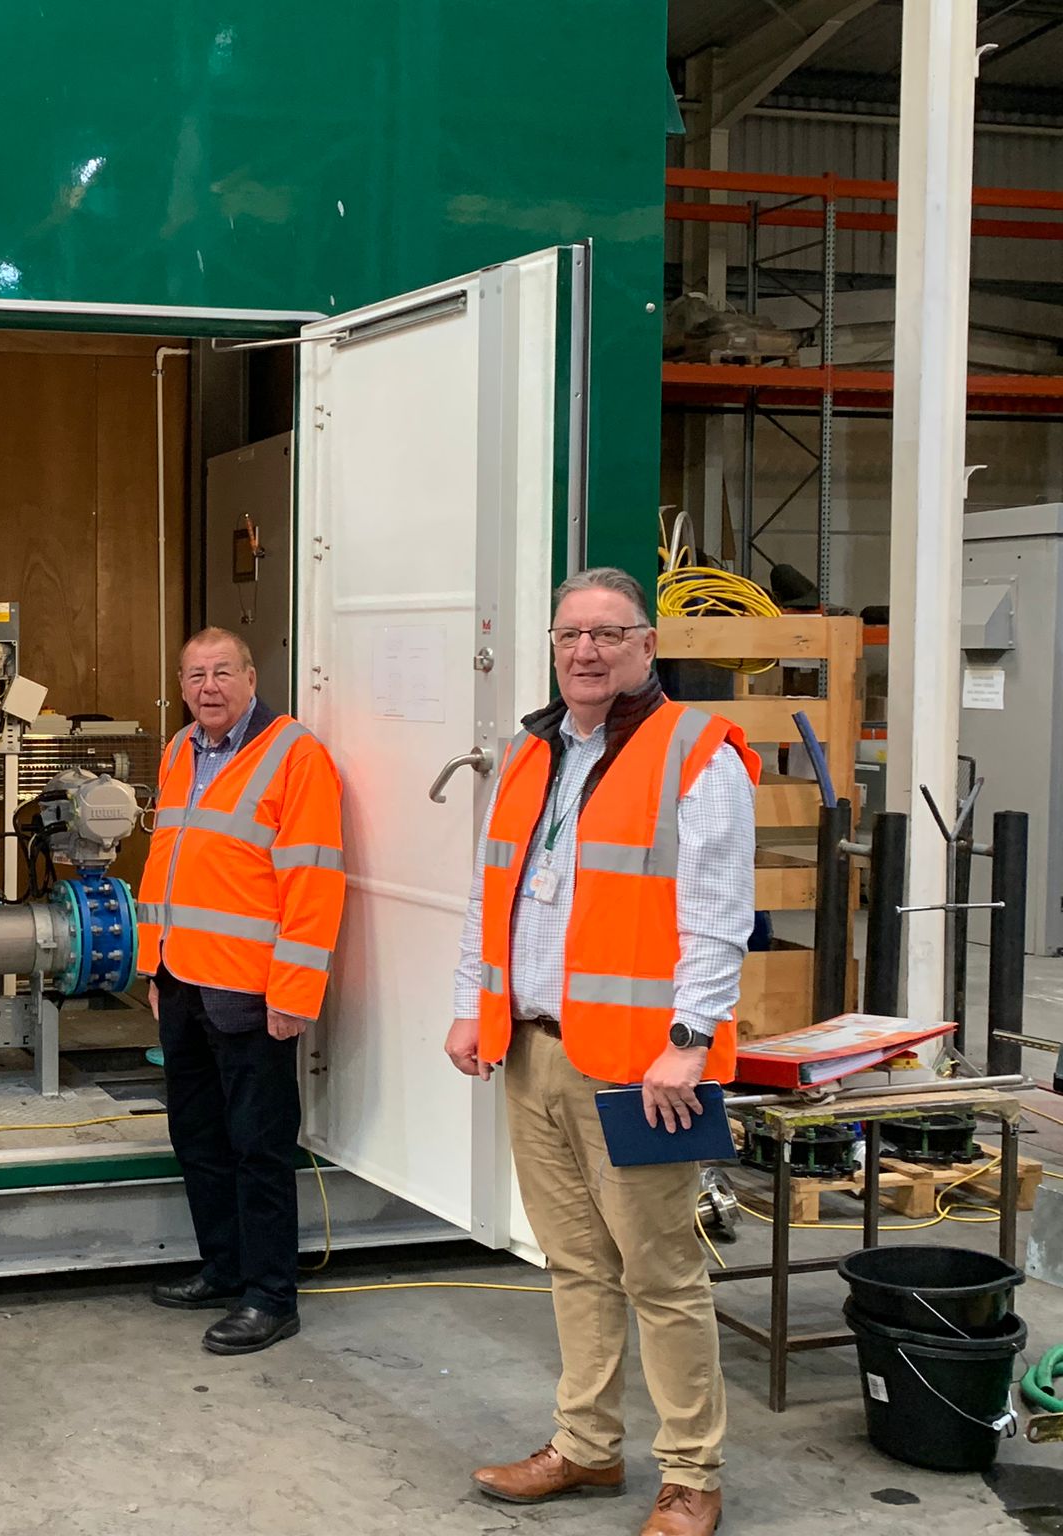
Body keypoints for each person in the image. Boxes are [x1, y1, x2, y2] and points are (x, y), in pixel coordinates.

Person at [443, 567, 756, 1536]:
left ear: (644, 647)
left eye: (607, 634)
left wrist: (689, 1042)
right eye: (570, 634)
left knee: (659, 1274)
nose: (585, 650)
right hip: (530, 1050)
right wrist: (469, 1005)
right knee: (573, 1263)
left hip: (638, 1067)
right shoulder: (530, 753)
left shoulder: (694, 754)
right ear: (551, 645)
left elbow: (716, 919)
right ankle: (584, 1446)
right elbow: (487, 895)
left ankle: (690, 1474)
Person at [136, 627, 345, 1355]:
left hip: (252, 991)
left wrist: (294, 991)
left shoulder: (295, 755)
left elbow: (313, 883)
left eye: (222, 672)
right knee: (197, 1137)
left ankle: (270, 1296)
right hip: (182, 980)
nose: (208, 687)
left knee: (258, 1146)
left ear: (252, 677)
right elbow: (167, 862)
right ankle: (223, 1268)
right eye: (195, 675)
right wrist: (152, 964)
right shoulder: (179, 750)